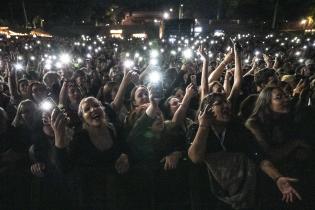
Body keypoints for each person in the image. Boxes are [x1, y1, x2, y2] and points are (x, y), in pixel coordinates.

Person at [188, 93, 301, 210]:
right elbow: (196, 158)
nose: (226, 105)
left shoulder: (238, 129)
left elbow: (258, 157)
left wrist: (278, 178)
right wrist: (203, 126)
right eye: (219, 103)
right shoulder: (196, 129)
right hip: (209, 194)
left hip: (242, 191)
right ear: (207, 110)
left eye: (226, 102)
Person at [52, 97, 129, 210]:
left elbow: (125, 148)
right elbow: (64, 167)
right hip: (91, 198)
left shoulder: (113, 129)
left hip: (115, 194)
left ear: (103, 109)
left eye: (96, 106)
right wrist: (59, 136)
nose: (93, 110)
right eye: (87, 109)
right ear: (82, 118)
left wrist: (125, 156)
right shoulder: (79, 138)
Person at [246, 85, 314, 210]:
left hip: (292, 173)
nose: (286, 99)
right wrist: (295, 144)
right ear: (266, 103)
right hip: (269, 179)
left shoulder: (284, 118)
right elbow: (271, 155)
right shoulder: (254, 124)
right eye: (279, 98)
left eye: (285, 96)